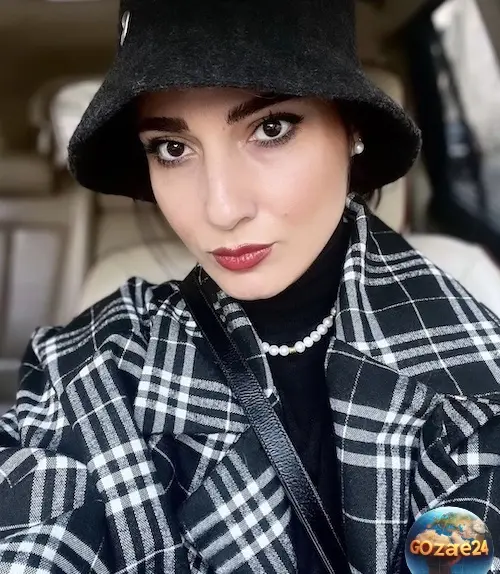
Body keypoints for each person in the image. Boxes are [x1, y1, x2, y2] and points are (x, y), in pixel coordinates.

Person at [0, 0, 499, 573]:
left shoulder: (475, 373)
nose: (222, 208)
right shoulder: (96, 365)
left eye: (271, 128)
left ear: (352, 129)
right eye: (172, 148)